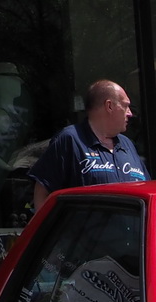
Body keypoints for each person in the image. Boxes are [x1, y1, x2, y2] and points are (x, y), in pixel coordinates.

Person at [28, 79, 147, 209]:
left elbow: (147, 190)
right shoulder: (70, 140)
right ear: (109, 106)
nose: (130, 113)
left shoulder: (127, 145)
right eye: (125, 106)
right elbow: (42, 194)